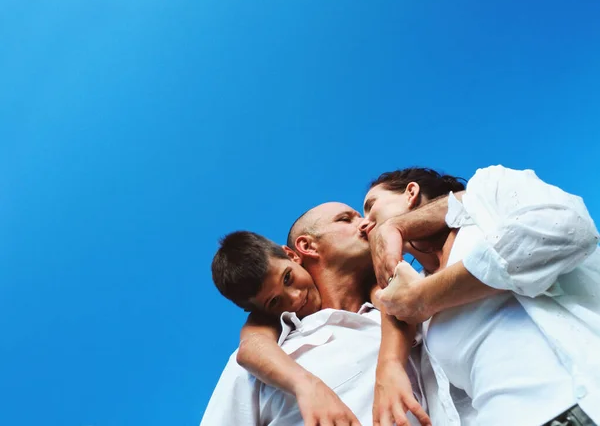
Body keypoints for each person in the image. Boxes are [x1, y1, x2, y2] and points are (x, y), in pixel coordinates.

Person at [360, 165, 600, 425]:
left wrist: (427, 295)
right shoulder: (415, 304)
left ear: (411, 192)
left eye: (371, 206)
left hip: (575, 408)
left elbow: (565, 230)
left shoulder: (487, 197)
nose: (363, 223)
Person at [208, 203, 431, 426]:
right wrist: (308, 385)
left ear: (290, 257)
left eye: (288, 278)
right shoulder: (266, 360)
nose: (295, 297)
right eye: (345, 219)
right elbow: (250, 346)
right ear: (305, 246)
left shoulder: (415, 302)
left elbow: (457, 207)